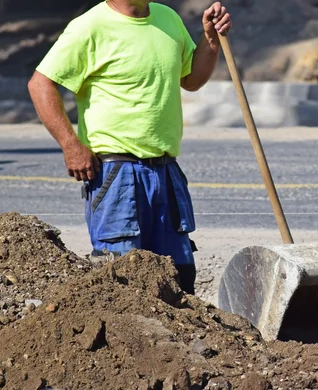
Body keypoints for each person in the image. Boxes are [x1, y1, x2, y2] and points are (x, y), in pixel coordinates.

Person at [28, 0, 232, 294]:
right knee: (122, 279)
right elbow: (40, 84)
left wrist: (210, 40)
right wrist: (70, 144)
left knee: (180, 277)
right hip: (115, 173)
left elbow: (191, 80)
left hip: (165, 170)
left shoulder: (168, 18)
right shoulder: (89, 26)